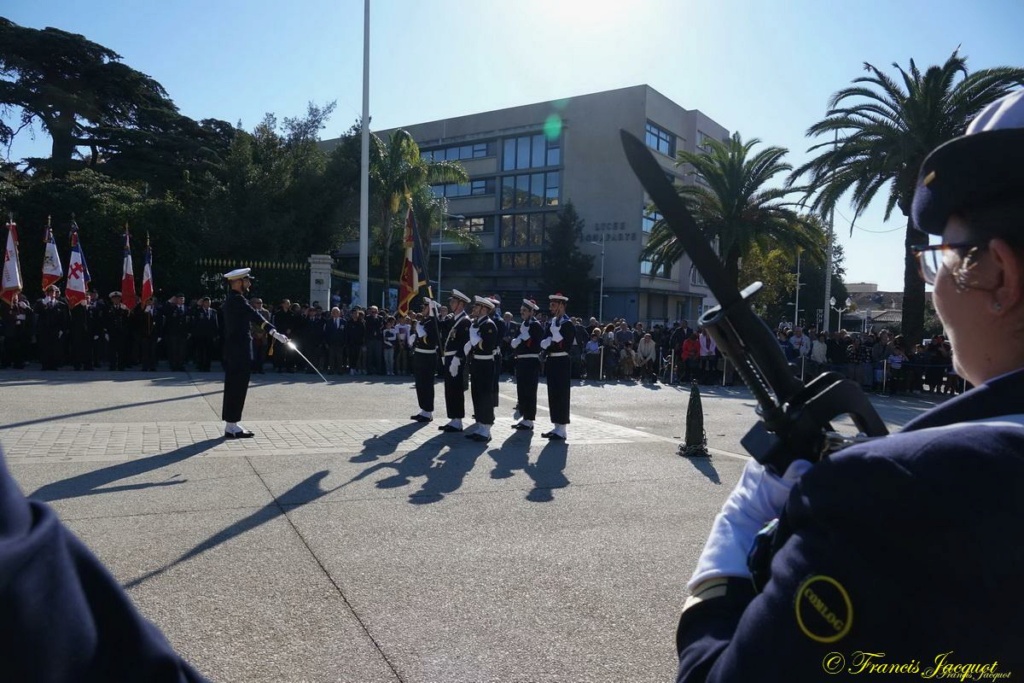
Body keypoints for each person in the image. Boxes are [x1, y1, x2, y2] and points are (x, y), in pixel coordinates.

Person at [673, 89, 1024, 679]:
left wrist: (742, 526)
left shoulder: (889, 495)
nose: (934, 287)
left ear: (998, 273)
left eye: (938, 258)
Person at [220, 268, 288, 439]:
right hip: (239, 349)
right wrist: (274, 333)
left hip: (235, 348)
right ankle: (232, 425)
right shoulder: (237, 300)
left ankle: (232, 423)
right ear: (237, 282)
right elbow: (255, 316)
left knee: (235, 385)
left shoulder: (233, 300)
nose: (249, 283)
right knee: (237, 386)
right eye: (246, 280)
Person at [540, 292, 575, 440]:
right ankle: (556, 426)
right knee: (553, 394)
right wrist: (546, 343)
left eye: (553, 304)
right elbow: (545, 340)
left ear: (561, 305)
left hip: (562, 360)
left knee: (561, 394)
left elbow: (566, 345)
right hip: (552, 360)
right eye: (551, 304)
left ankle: (562, 428)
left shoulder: (567, 324)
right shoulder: (552, 322)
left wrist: (555, 337)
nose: (551, 307)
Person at [465, 295, 499, 442]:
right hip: (477, 362)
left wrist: (475, 340)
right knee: (476, 394)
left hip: (485, 363)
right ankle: (480, 426)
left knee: (485, 395)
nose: (474, 309)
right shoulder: (478, 324)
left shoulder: (489, 325)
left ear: (484, 309)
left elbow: (487, 345)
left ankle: (486, 429)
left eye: (477, 307)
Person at [438, 289, 472, 432]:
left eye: (454, 301)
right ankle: (453, 419)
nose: (451, 303)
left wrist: (457, 359)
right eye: (451, 301)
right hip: (449, 357)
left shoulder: (465, 321)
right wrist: (434, 312)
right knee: (449, 389)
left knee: (456, 389)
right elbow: (440, 327)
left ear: (461, 304)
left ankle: (458, 420)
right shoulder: (453, 318)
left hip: (456, 359)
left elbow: (464, 343)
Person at [511, 298, 544, 430]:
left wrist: (527, 338)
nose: (522, 312)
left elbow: (536, 344)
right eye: (521, 310)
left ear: (531, 312)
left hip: (531, 360)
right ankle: (524, 417)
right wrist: (517, 340)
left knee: (529, 390)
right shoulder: (523, 324)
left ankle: (529, 419)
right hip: (522, 360)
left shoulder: (535, 325)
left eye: (525, 310)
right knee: (522, 390)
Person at [409, 298, 440, 422]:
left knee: (426, 384)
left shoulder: (433, 322)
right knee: (420, 384)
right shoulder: (426, 321)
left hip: (428, 356)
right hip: (420, 354)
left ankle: (428, 411)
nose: (422, 309)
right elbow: (420, 337)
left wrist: (420, 332)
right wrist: (414, 339)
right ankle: (424, 410)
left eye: (425, 307)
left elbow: (430, 340)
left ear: (431, 309)